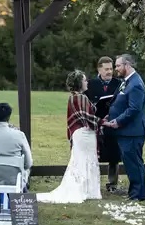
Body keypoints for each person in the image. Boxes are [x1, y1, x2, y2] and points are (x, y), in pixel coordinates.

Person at [38, 70, 102, 204]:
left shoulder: (73, 97)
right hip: (85, 132)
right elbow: (86, 117)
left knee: (80, 160)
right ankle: (86, 190)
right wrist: (102, 121)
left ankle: (86, 189)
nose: (87, 82)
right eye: (84, 80)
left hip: (79, 133)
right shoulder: (81, 97)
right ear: (79, 83)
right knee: (86, 160)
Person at [103, 53, 145, 201]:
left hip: (132, 132)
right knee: (130, 163)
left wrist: (118, 121)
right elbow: (119, 102)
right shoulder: (126, 81)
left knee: (134, 163)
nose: (116, 69)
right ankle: (134, 193)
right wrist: (110, 116)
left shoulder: (136, 84)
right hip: (125, 131)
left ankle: (138, 195)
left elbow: (134, 109)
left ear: (127, 65)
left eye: (118, 65)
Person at [0, 102, 33, 213]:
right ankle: (24, 214)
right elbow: (28, 163)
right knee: (17, 176)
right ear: (9, 117)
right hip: (14, 179)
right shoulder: (19, 135)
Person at [87, 56, 122, 192]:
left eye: (111, 69)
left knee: (114, 153)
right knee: (94, 153)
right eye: (106, 69)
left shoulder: (118, 83)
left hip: (113, 122)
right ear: (99, 69)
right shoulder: (90, 84)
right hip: (95, 123)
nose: (109, 72)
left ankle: (112, 183)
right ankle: (92, 182)